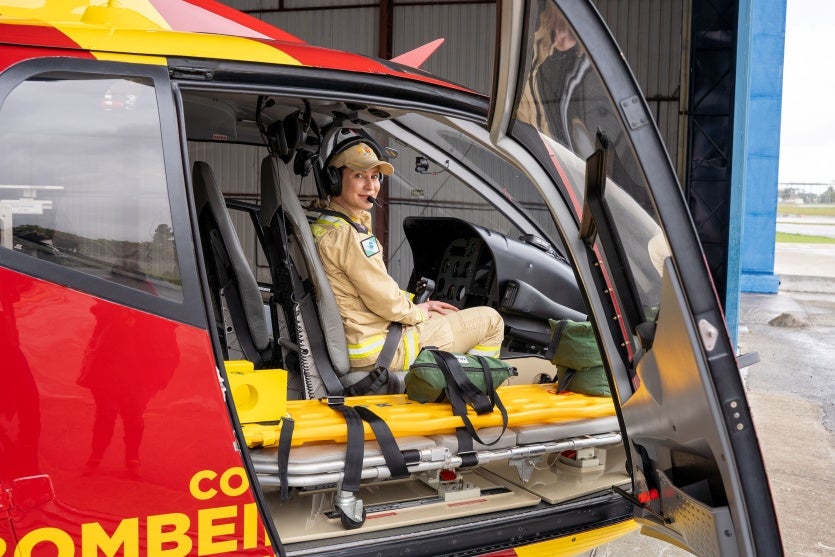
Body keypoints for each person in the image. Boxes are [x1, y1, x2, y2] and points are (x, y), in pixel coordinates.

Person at [310, 139, 505, 394]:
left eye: (375, 177)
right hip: (381, 348)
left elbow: (367, 290)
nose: (371, 186)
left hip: (360, 339)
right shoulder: (348, 236)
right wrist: (419, 313)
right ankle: (472, 396)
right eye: (359, 176)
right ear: (335, 180)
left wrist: (415, 302)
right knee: (491, 321)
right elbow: (385, 301)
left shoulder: (326, 226)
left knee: (441, 315)